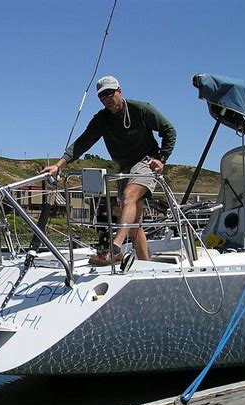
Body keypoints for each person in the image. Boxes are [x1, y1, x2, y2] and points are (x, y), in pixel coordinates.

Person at [43, 75, 177, 265]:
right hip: (124, 168)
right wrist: (58, 165)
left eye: (110, 93)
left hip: (146, 162)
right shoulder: (101, 119)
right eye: (102, 96)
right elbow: (82, 143)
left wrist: (161, 158)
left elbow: (169, 131)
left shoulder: (140, 109)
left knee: (129, 195)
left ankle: (115, 247)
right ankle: (147, 264)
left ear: (119, 91)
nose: (106, 98)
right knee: (133, 223)